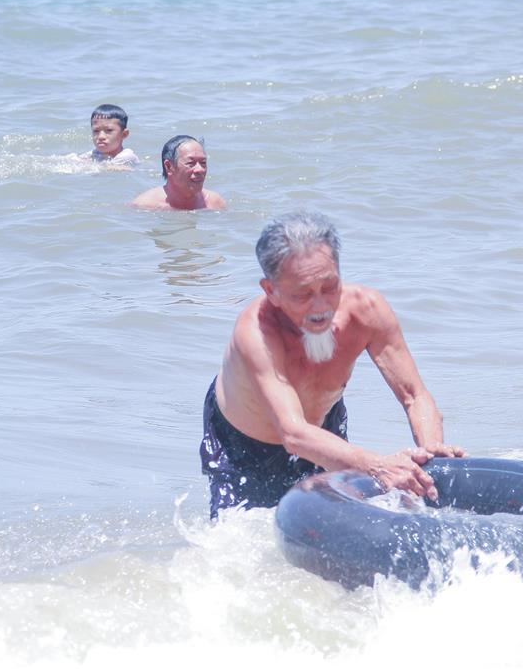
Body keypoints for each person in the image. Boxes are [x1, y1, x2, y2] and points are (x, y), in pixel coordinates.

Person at [201, 211, 464, 519]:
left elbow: (414, 395)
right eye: (302, 295)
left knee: (337, 522)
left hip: (323, 427)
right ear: (270, 291)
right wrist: (378, 465)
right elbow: (293, 433)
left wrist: (430, 454)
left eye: (330, 287)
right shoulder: (255, 332)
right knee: (244, 541)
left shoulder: (367, 310)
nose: (321, 307)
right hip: (246, 446)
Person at [131, 135, 226, 211]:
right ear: (169, 167)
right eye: (190, 163)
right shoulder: (144, 206)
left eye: (203, 163)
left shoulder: (215, 203)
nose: (200, 169)